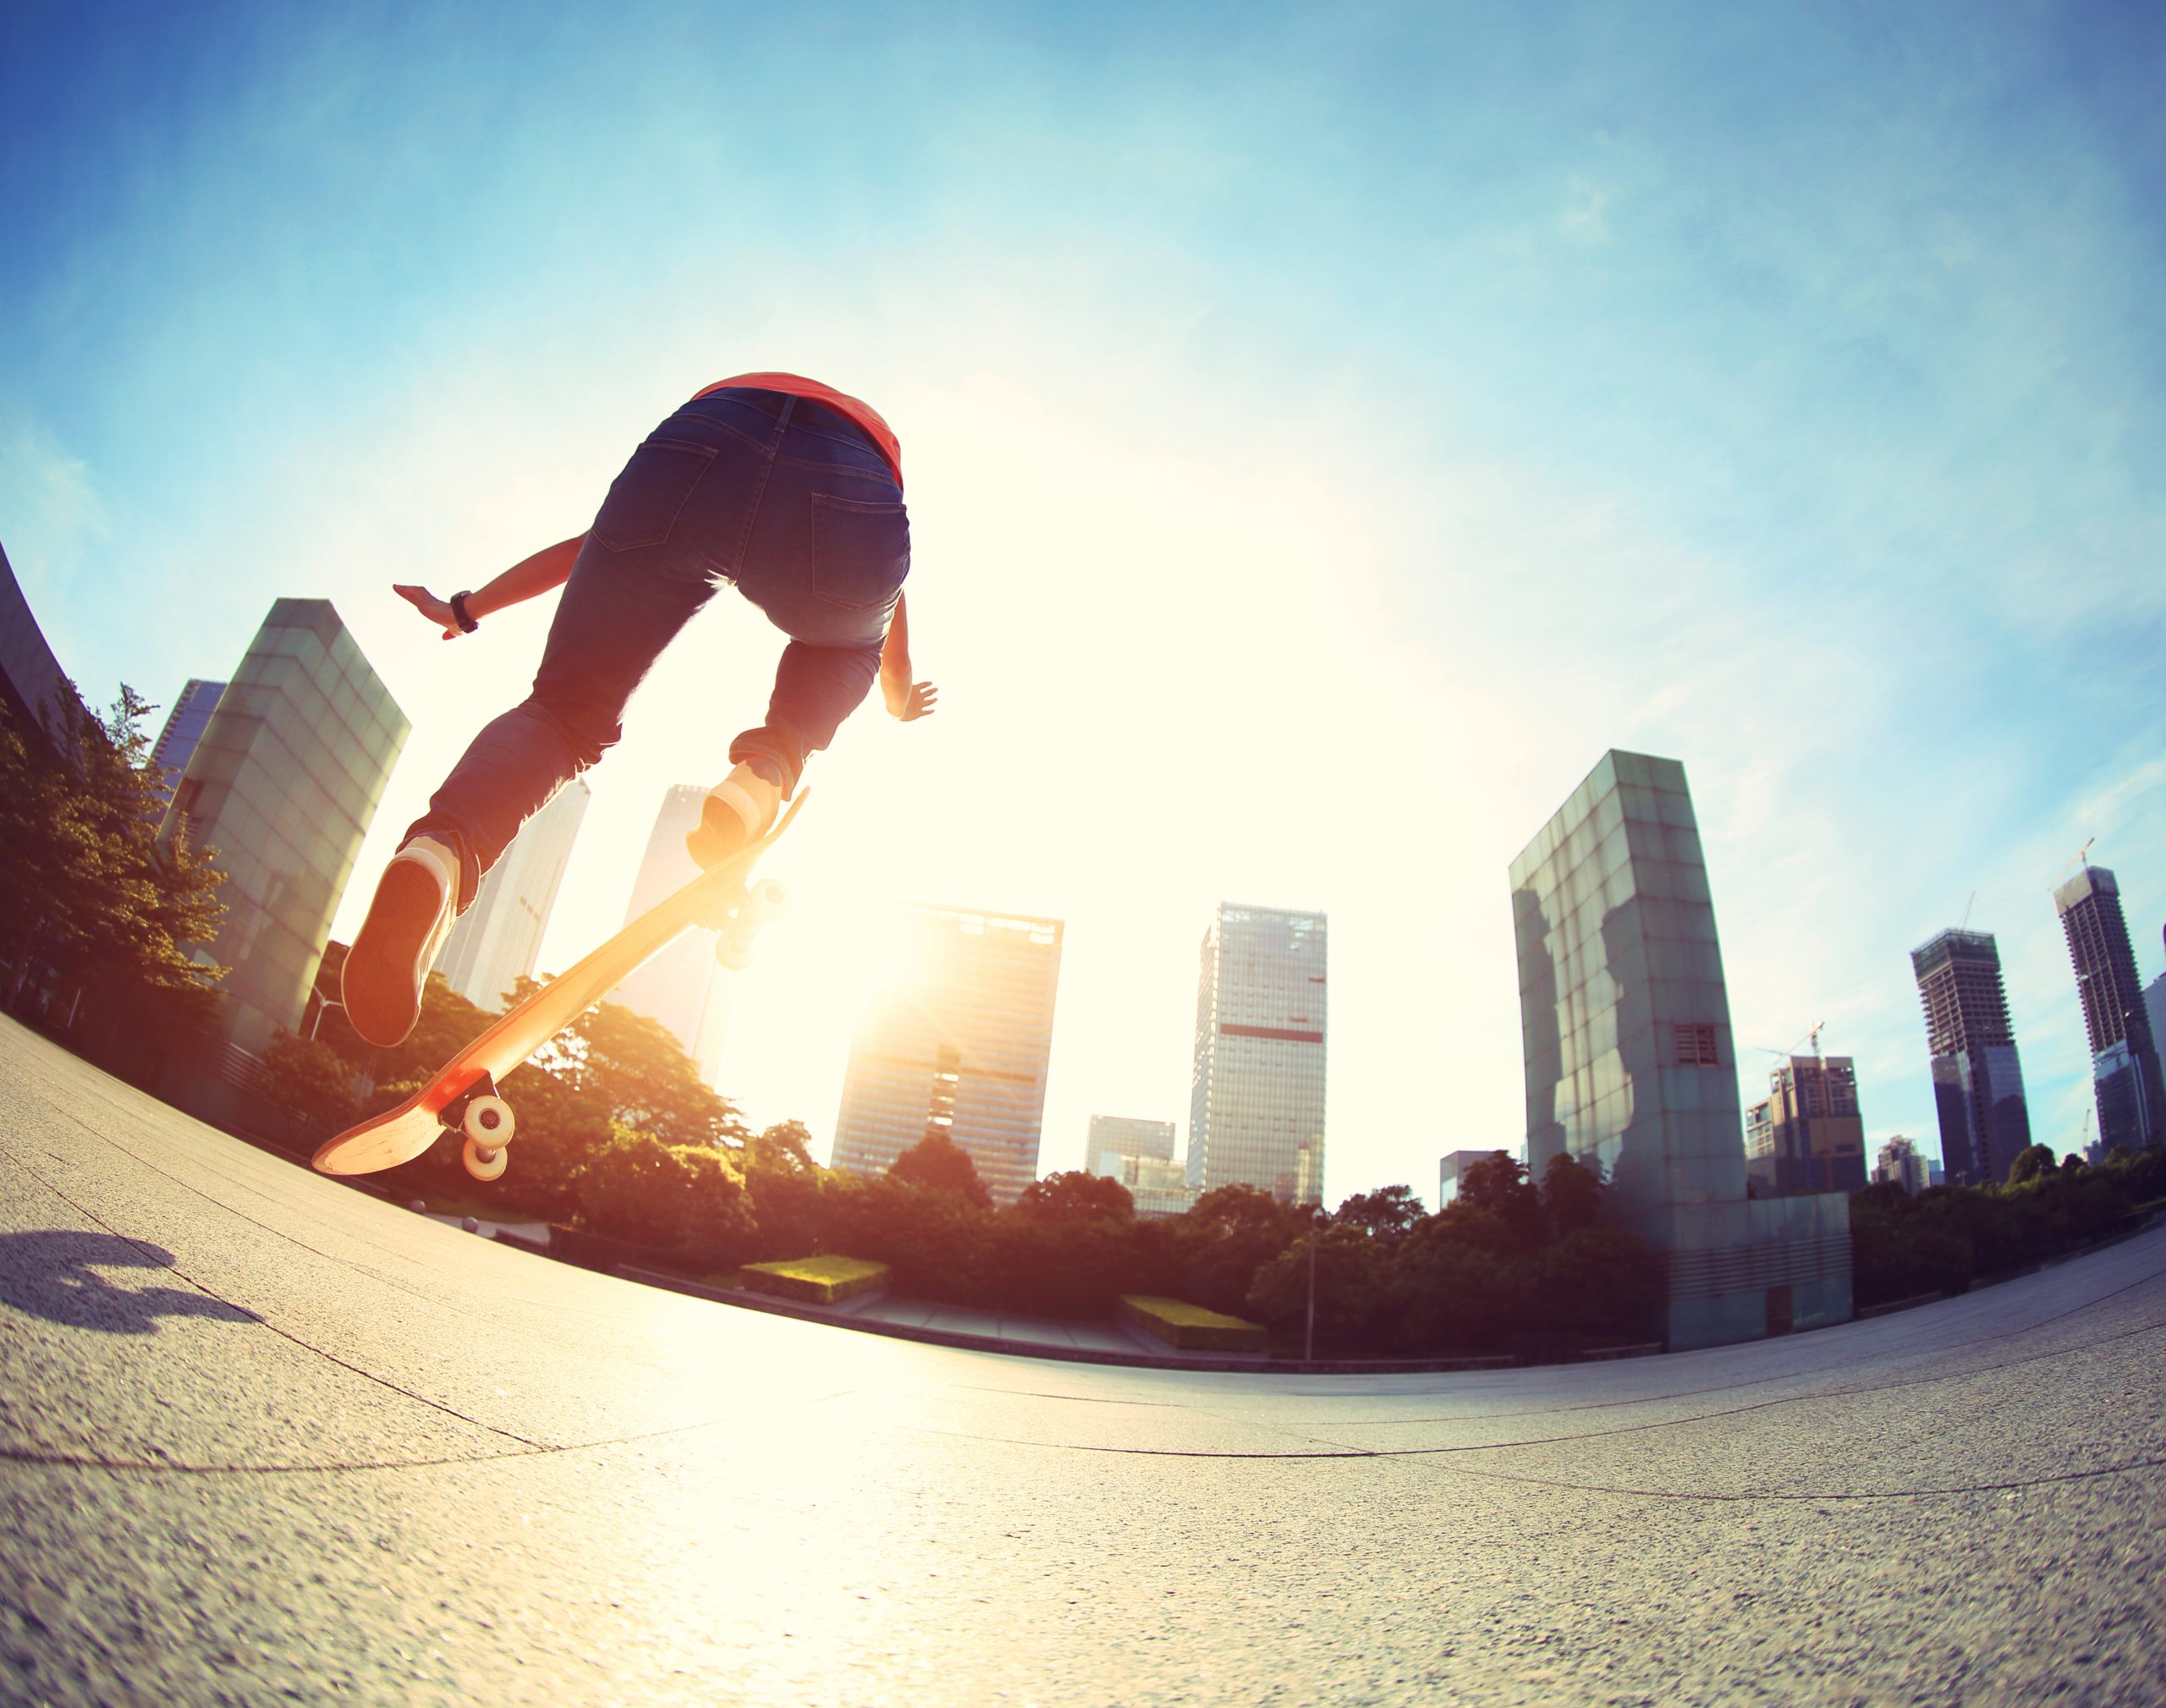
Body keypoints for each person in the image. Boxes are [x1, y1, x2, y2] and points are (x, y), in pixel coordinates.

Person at [341, 372, 937, 1048]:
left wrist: (464, 609)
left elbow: (587, 551)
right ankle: (767, 770)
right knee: (848, 644)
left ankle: (438, 854)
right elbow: (887, 639)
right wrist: (897, 701)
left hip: (704, 435)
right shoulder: (864, 458)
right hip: (858, 481)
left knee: (564, 712)